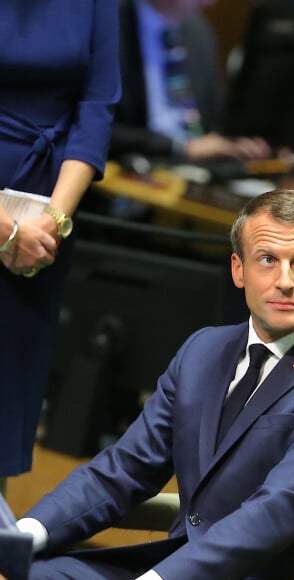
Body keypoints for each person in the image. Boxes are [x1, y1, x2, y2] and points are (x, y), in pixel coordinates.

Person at [18, 189, 294, 580]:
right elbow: (124, 469)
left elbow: (271, 515)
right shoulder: (203, 350)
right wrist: (23, 536)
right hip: (174, 566)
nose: (285, 281)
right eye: (267, 260)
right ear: (238, 269)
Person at [0, 1, 121, 491]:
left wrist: (52, 220)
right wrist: (5, 229)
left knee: (5, 394)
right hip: (13, 222)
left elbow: (97, 108)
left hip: (44, 216)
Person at [111, 0, 273, 164]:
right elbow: (97, 127)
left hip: (197, 167)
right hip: (134, 164)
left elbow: (216, 119)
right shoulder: (105, 25)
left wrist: (238, 142)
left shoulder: (199, 31)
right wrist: (179, 147)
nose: (210, 3)